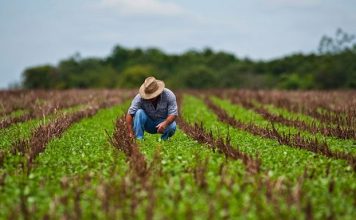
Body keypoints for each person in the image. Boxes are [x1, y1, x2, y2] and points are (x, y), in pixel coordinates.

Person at [126, 76, 178, 140]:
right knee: (139, 112)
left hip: (163, 122)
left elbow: (173, 114)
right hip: (148, 123)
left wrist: (165, 123)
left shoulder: (169, 95)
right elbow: (130, 113)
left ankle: (164, 140)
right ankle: (139, 139)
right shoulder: (139, 97)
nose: (149, 98)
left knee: (172, 126)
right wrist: (130, 132)